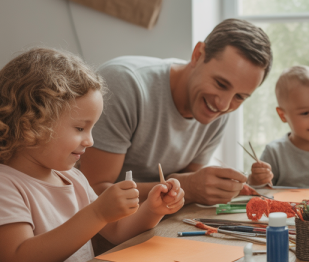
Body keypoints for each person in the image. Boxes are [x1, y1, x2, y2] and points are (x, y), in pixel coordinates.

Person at [0, 48, 184, 262]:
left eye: (92, 128)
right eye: (80, 128)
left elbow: (118, 232)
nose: (90, 140)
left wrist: (153, 208)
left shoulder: (73, 179)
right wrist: (97, 213)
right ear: (30, 124)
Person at [80, 19, 273, 206]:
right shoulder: (125, 84)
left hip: (154, 221)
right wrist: (188, 188)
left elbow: (186, 185)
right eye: (221, 84)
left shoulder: (216, 109)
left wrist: (200, 187)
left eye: (240, 97)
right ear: (198, 55)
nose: (223, 105)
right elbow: (93, 191)